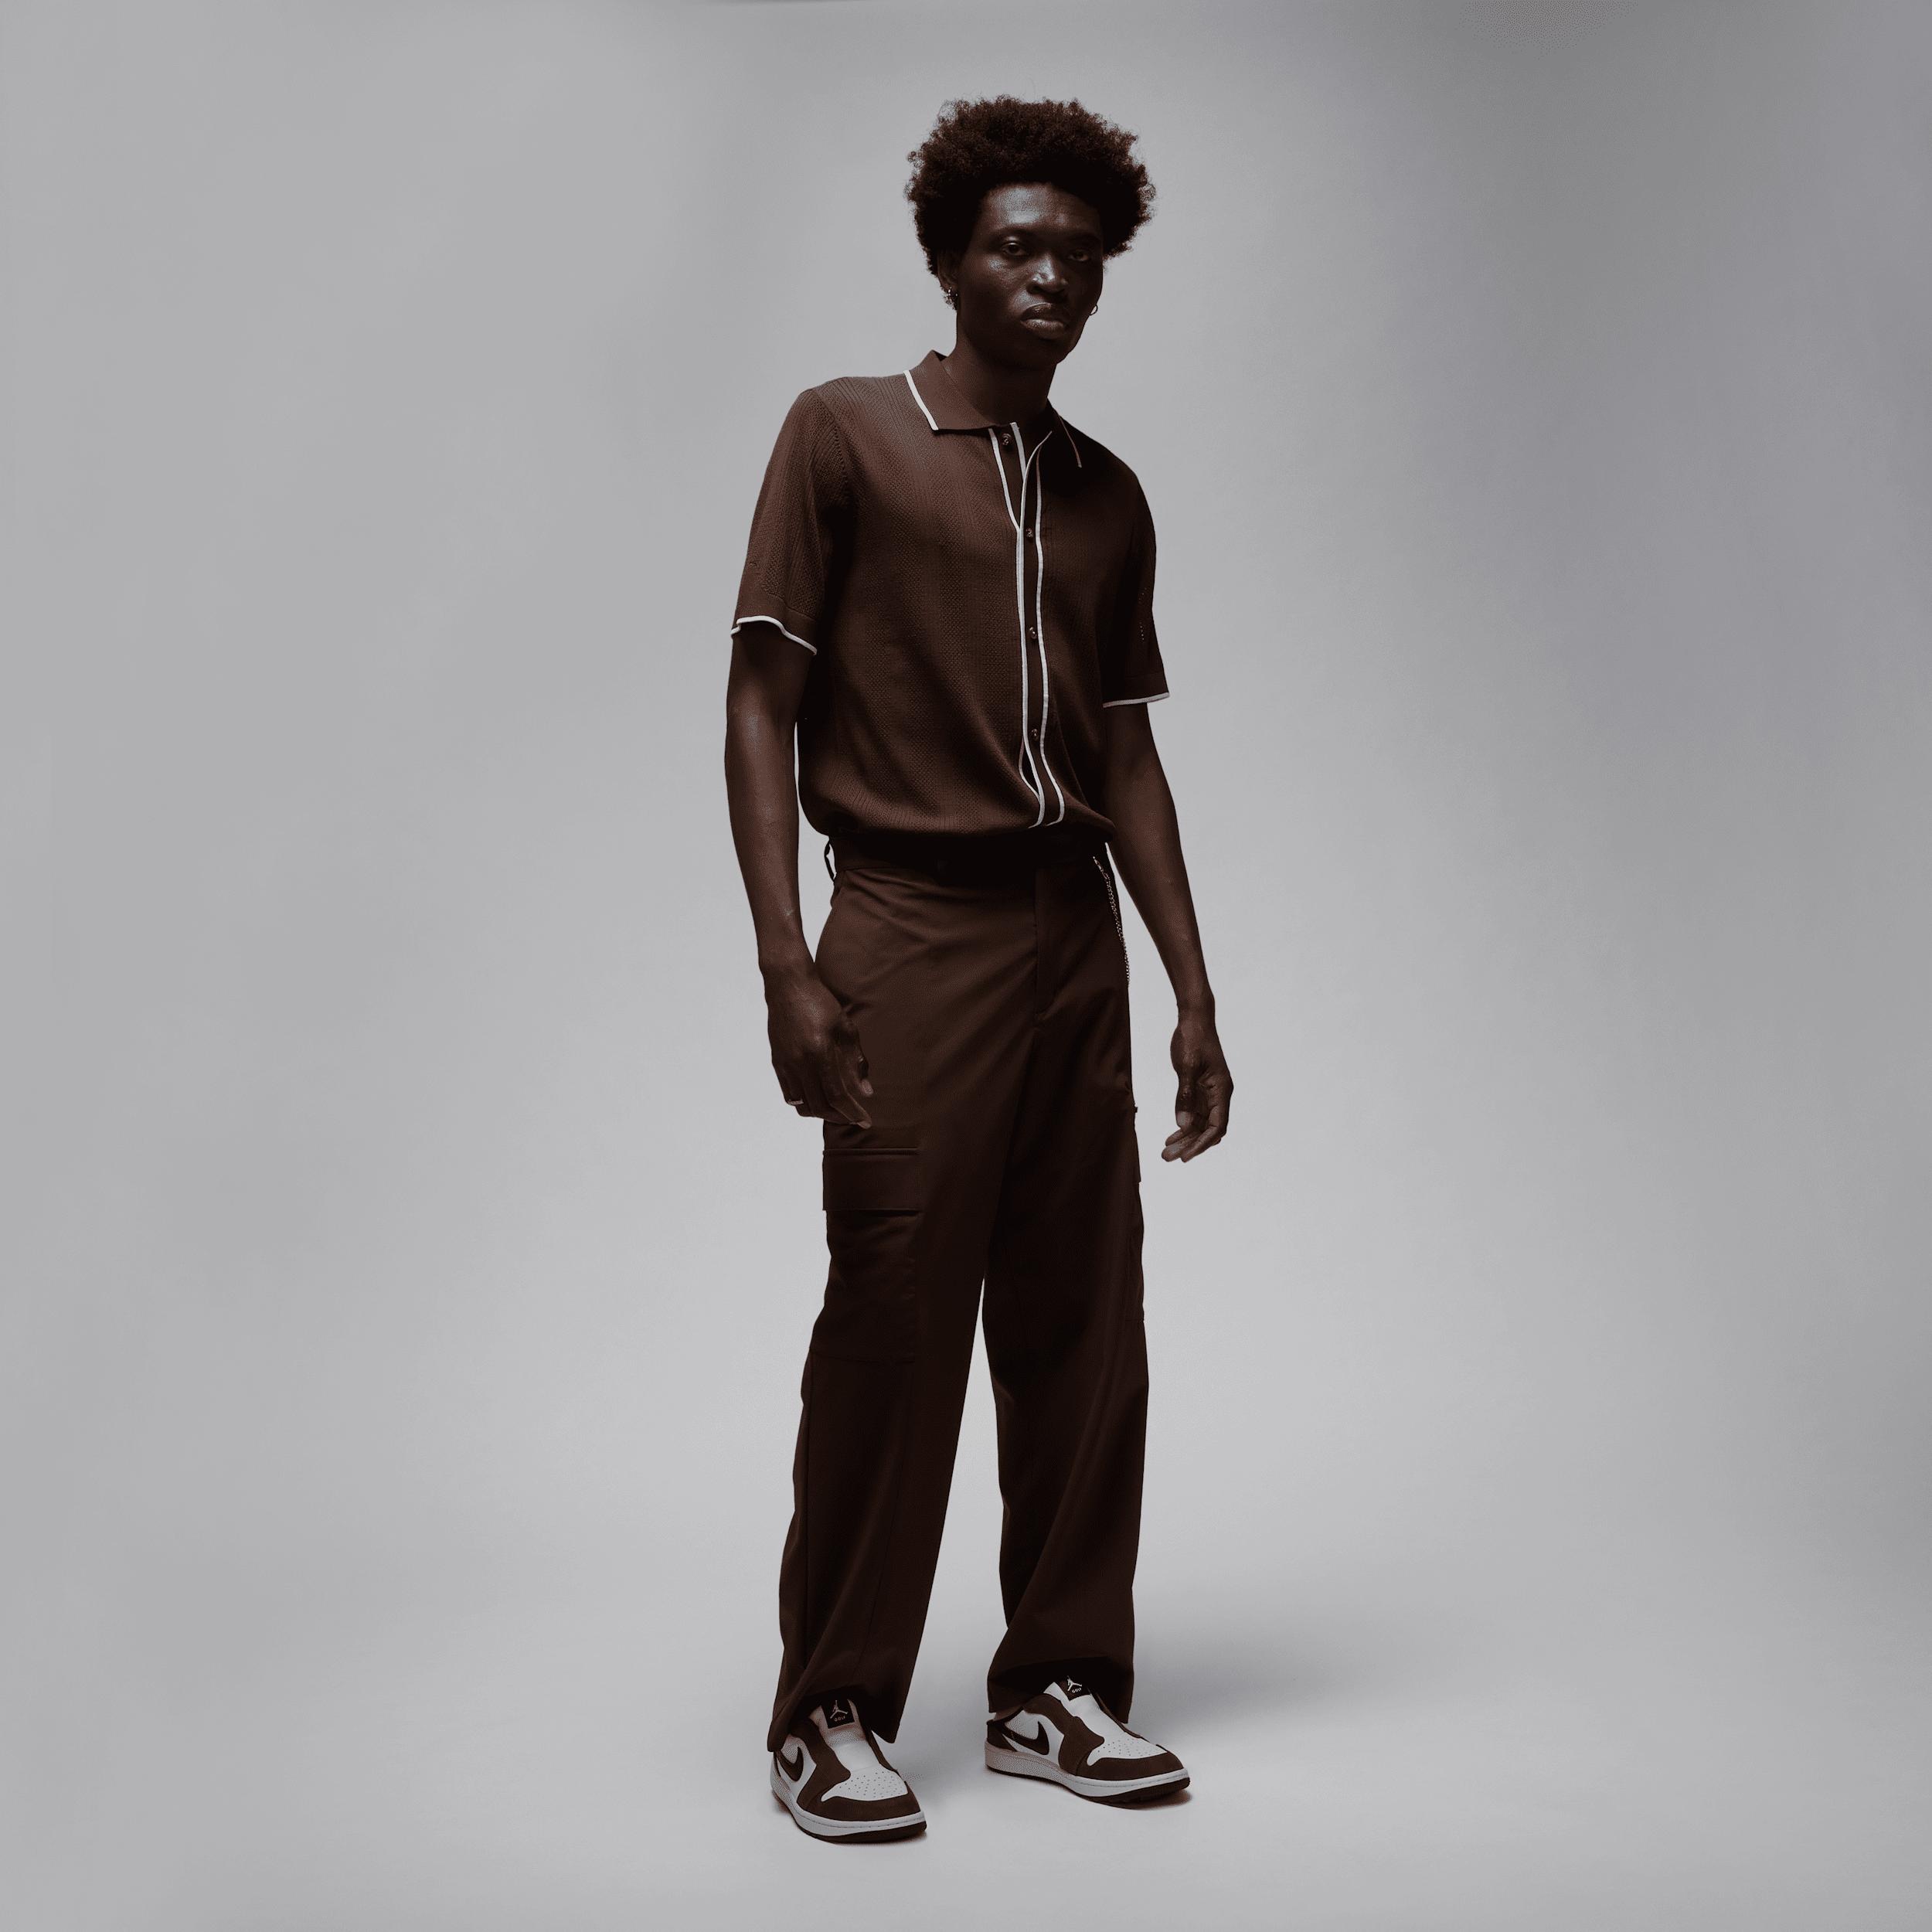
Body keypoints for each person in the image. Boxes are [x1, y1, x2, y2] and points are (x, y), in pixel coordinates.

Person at [723, 94, 1232, 1843]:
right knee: (892, 1316)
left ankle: (1056, 1687)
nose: (1050, 275)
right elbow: (759, 705)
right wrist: (786, 963)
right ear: (949, 257)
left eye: (1079, 253)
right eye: (1017, 244)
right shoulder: (845, 434)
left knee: (1087, 1323)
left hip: (1069, 936)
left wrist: (1192, 987)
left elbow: (1128, 753)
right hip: (906, 922)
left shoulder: (1107, 495)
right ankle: (829, 1710)